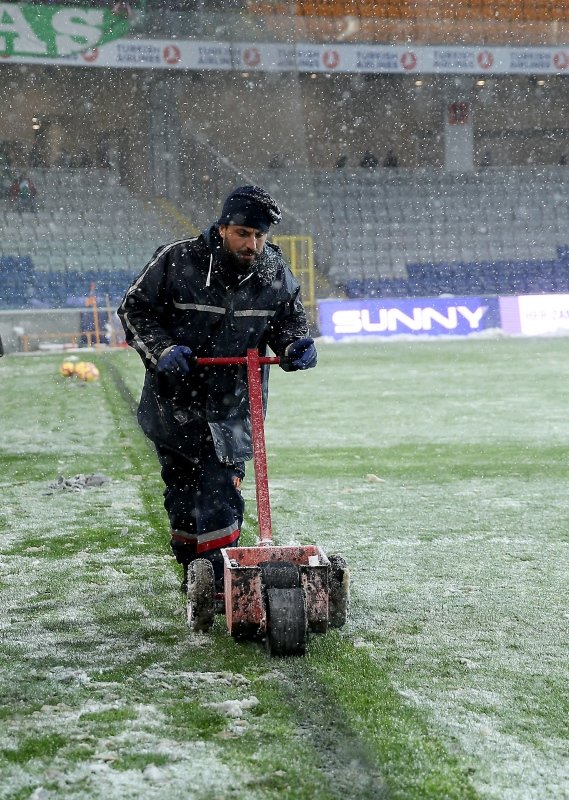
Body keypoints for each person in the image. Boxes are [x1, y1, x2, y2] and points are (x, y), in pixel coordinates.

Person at [117, 185, 317, 595]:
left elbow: (288, 321)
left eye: (260, 235)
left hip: (235, 405)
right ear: (223, 227)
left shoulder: (274, 270)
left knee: (222, 489)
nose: (253, 244)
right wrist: (164, 349)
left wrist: (295, 344)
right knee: (183, 491)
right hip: (174, 402)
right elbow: (134, 309)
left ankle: (224, 580)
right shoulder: (177, 260)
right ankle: (196, 573)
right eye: (244, 233)